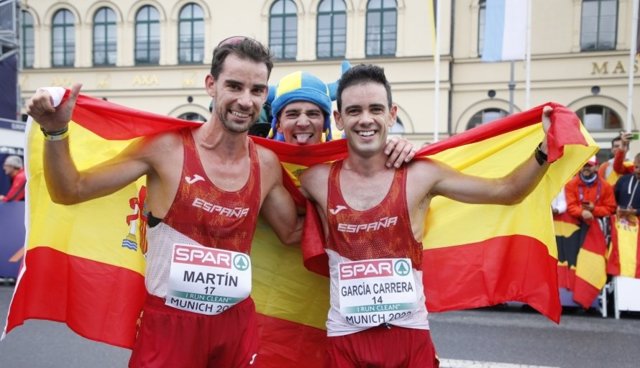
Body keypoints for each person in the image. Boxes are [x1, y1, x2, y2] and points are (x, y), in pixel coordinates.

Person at [26, 36, 301, 368]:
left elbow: (292, 233)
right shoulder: (166, 149)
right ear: (211, 85)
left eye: (257, 90)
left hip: (235, 324)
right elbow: (70, 190)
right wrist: (56, 132)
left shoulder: (267, 164)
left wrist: (373, 181)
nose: (246, 101)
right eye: (234, 86)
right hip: (170, 324)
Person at [299, 64, 554, 367]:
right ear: (339, 119)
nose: (366, 119)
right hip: (346, 341)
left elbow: (506, 190)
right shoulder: (314, 180)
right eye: (354, 111)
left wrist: (545, 150)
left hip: (409, 341)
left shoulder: (421, 174)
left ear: (392, 114)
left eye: (375, 109)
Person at [269, 70, 416, 168]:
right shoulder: (261, 161)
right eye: (292, 114)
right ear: (278, 124)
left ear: (326, 123)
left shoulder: (347, 149)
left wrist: (396, 147)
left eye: (313, 114)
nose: (302, 123)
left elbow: (371, 144)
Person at [565, 156, 617, 224]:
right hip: (576, 224)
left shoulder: (606, 186)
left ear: (597, 167)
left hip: (598, 224)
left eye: (589, 166)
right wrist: (582, 212)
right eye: (584, 165)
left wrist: (594, 209)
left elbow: (611, 209)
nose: (586, 168)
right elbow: (570, 206)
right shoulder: (571, 184)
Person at [614, 152, 640, 220]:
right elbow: (613, 199)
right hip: (621, 222)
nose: (638, 171)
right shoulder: (623, 180)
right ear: (633, 164)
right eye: (636, 167)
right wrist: (616, 208)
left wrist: (636, 212)